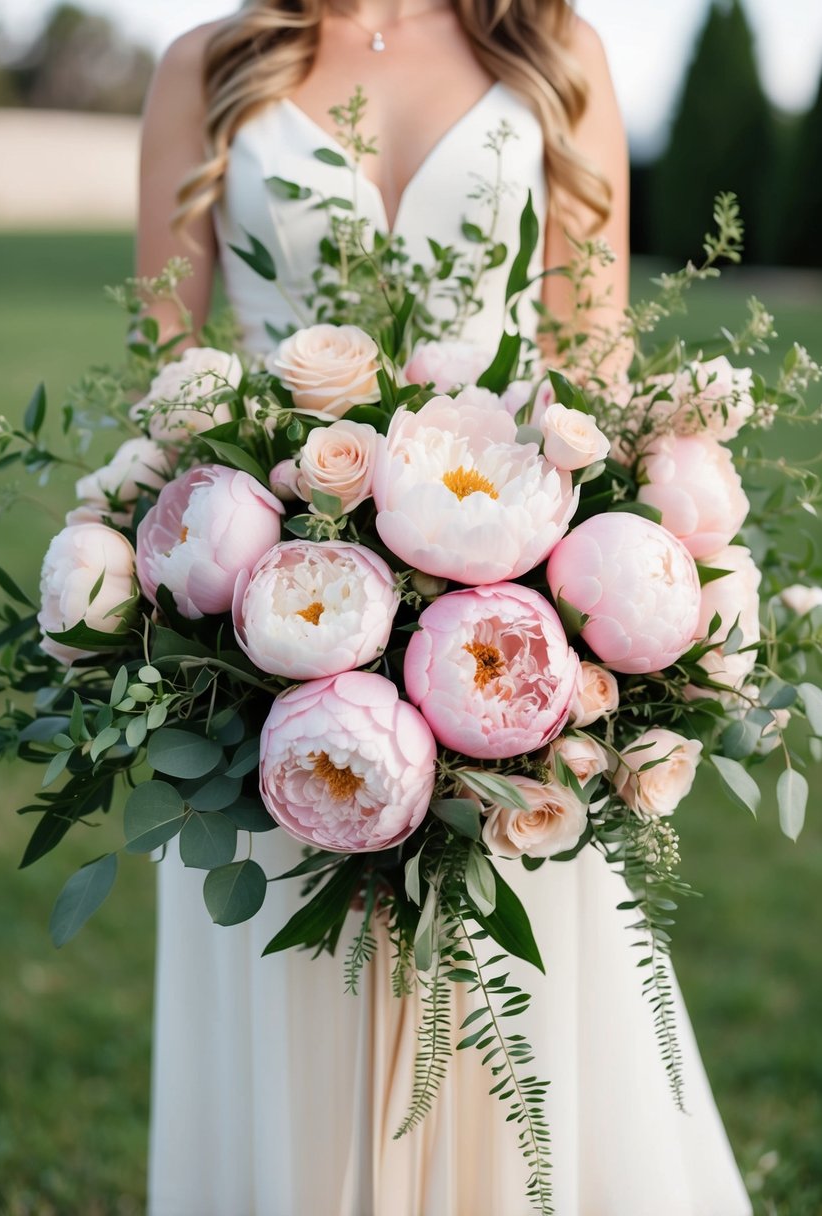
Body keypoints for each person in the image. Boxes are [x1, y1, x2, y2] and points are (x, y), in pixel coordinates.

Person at [137, 3, 754, 1213]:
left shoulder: (551, 44)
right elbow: (163, 369)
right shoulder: (205, 64)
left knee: (507, 1033)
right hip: (274, 637)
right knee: (292, 1009)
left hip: (507, 636)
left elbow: (595, 363)